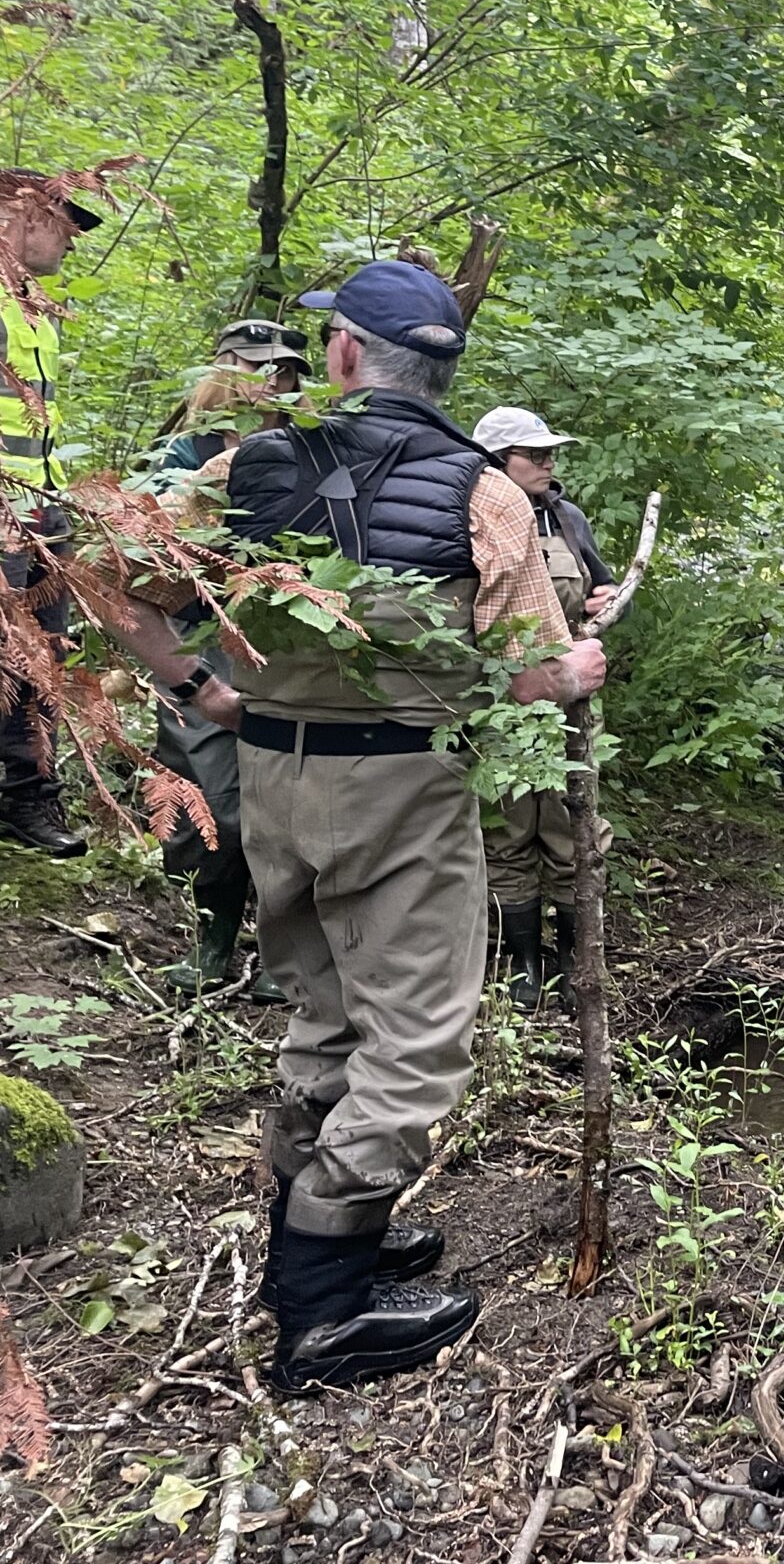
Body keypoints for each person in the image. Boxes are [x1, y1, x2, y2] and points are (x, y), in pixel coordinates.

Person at [105, 261, 606, 1391]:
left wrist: (203, 697)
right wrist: (574, 669)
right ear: (443, 372)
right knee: (420, 1046)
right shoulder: (488, 497)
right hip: (402, 794)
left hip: (275, 782)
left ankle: (322, 1246)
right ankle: (324, 1309)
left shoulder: (245, 469)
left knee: (324, 1018)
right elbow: (520, 676)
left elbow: (119, 587)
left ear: (340, 358)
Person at [148, 321, 310, 999]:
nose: (275, 382)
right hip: (200, 641)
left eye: (285, 372)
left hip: (282, 640)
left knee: (287, 801)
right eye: (261, 368)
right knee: (210, 802)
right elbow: (143, 548)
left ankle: (284, 956)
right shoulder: (183, 454)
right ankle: (212, 941)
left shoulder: (303, 450)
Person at [469, 406, 615, 1010]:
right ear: (498, 462)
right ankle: (522, 964)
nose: (549, 463)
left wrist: (608, 604)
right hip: (498, 707)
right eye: (536, 454)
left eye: (551, 452)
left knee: (572, 832)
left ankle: (576, 959)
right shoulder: (469, 517)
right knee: (505, 833)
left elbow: (601, 590)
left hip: (570, 706)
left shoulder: (567, 516)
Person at [0, 171, 103, 858]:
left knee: (42, 664)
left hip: (41, 517)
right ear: (20, 212)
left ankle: (26, 799)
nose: (72, 238)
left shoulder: (33, 307)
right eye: (63, 221)